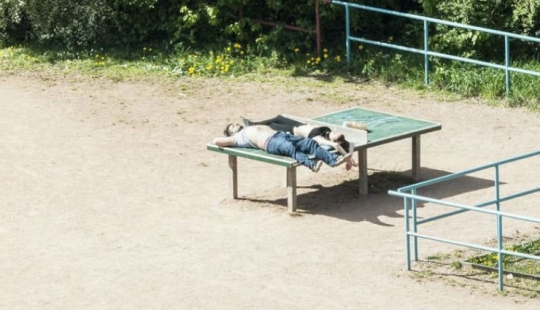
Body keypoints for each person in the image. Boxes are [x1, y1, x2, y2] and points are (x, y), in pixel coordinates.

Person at [212, 123, 352, 173]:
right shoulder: (237, 138)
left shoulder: (248, 127)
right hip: (271, 143)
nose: (236, 124)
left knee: (310, 144)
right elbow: (216, 141)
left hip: (281, 135)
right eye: (232, 126)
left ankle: (333, 160)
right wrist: (228, 139)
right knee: (290, 148)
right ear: (231, 133)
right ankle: (312, 164)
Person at [240, 115, 358, 170]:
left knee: (271, 126)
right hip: (298, 124)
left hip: (291, 131)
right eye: (337, 133)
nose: (336, 132)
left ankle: (249, 129)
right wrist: (350, 156)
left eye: (336, 135)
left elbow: (337, 145)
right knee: (278, 117)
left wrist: (347, 160)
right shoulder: (328, 132)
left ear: (332, 140)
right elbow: (351, 143)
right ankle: (253, 124)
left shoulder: (319, 138)